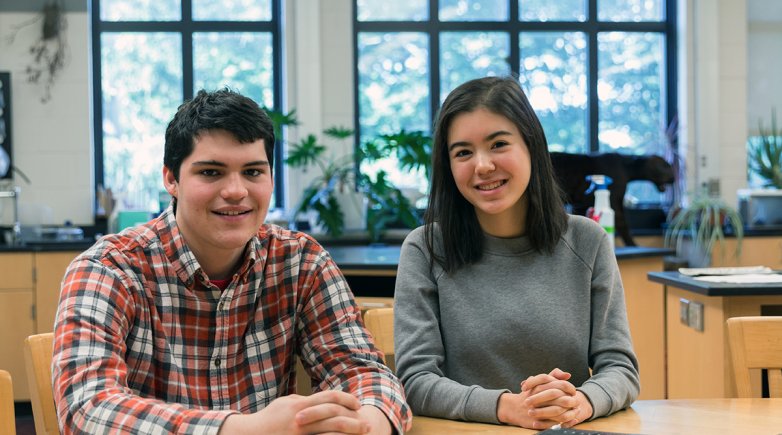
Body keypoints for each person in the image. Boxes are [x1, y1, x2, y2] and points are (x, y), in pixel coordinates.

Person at [52, 88, 412, 434]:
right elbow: (87, 408)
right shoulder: (109, 269)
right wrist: (245, 430)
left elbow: (362, 372)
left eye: (253, 172)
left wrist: (365, 423)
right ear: (171, 179)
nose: (236, 191)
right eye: (211, 172)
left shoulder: (302, 262)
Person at [393, 76, 640, 430]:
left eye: (498, 144)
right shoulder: (425, 249)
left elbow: (620, 368)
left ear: (531, 146)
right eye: (463, 152)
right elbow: (415, 382)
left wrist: (580, 402)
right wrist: (507, 407)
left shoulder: (588, 240)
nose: (482, 165)